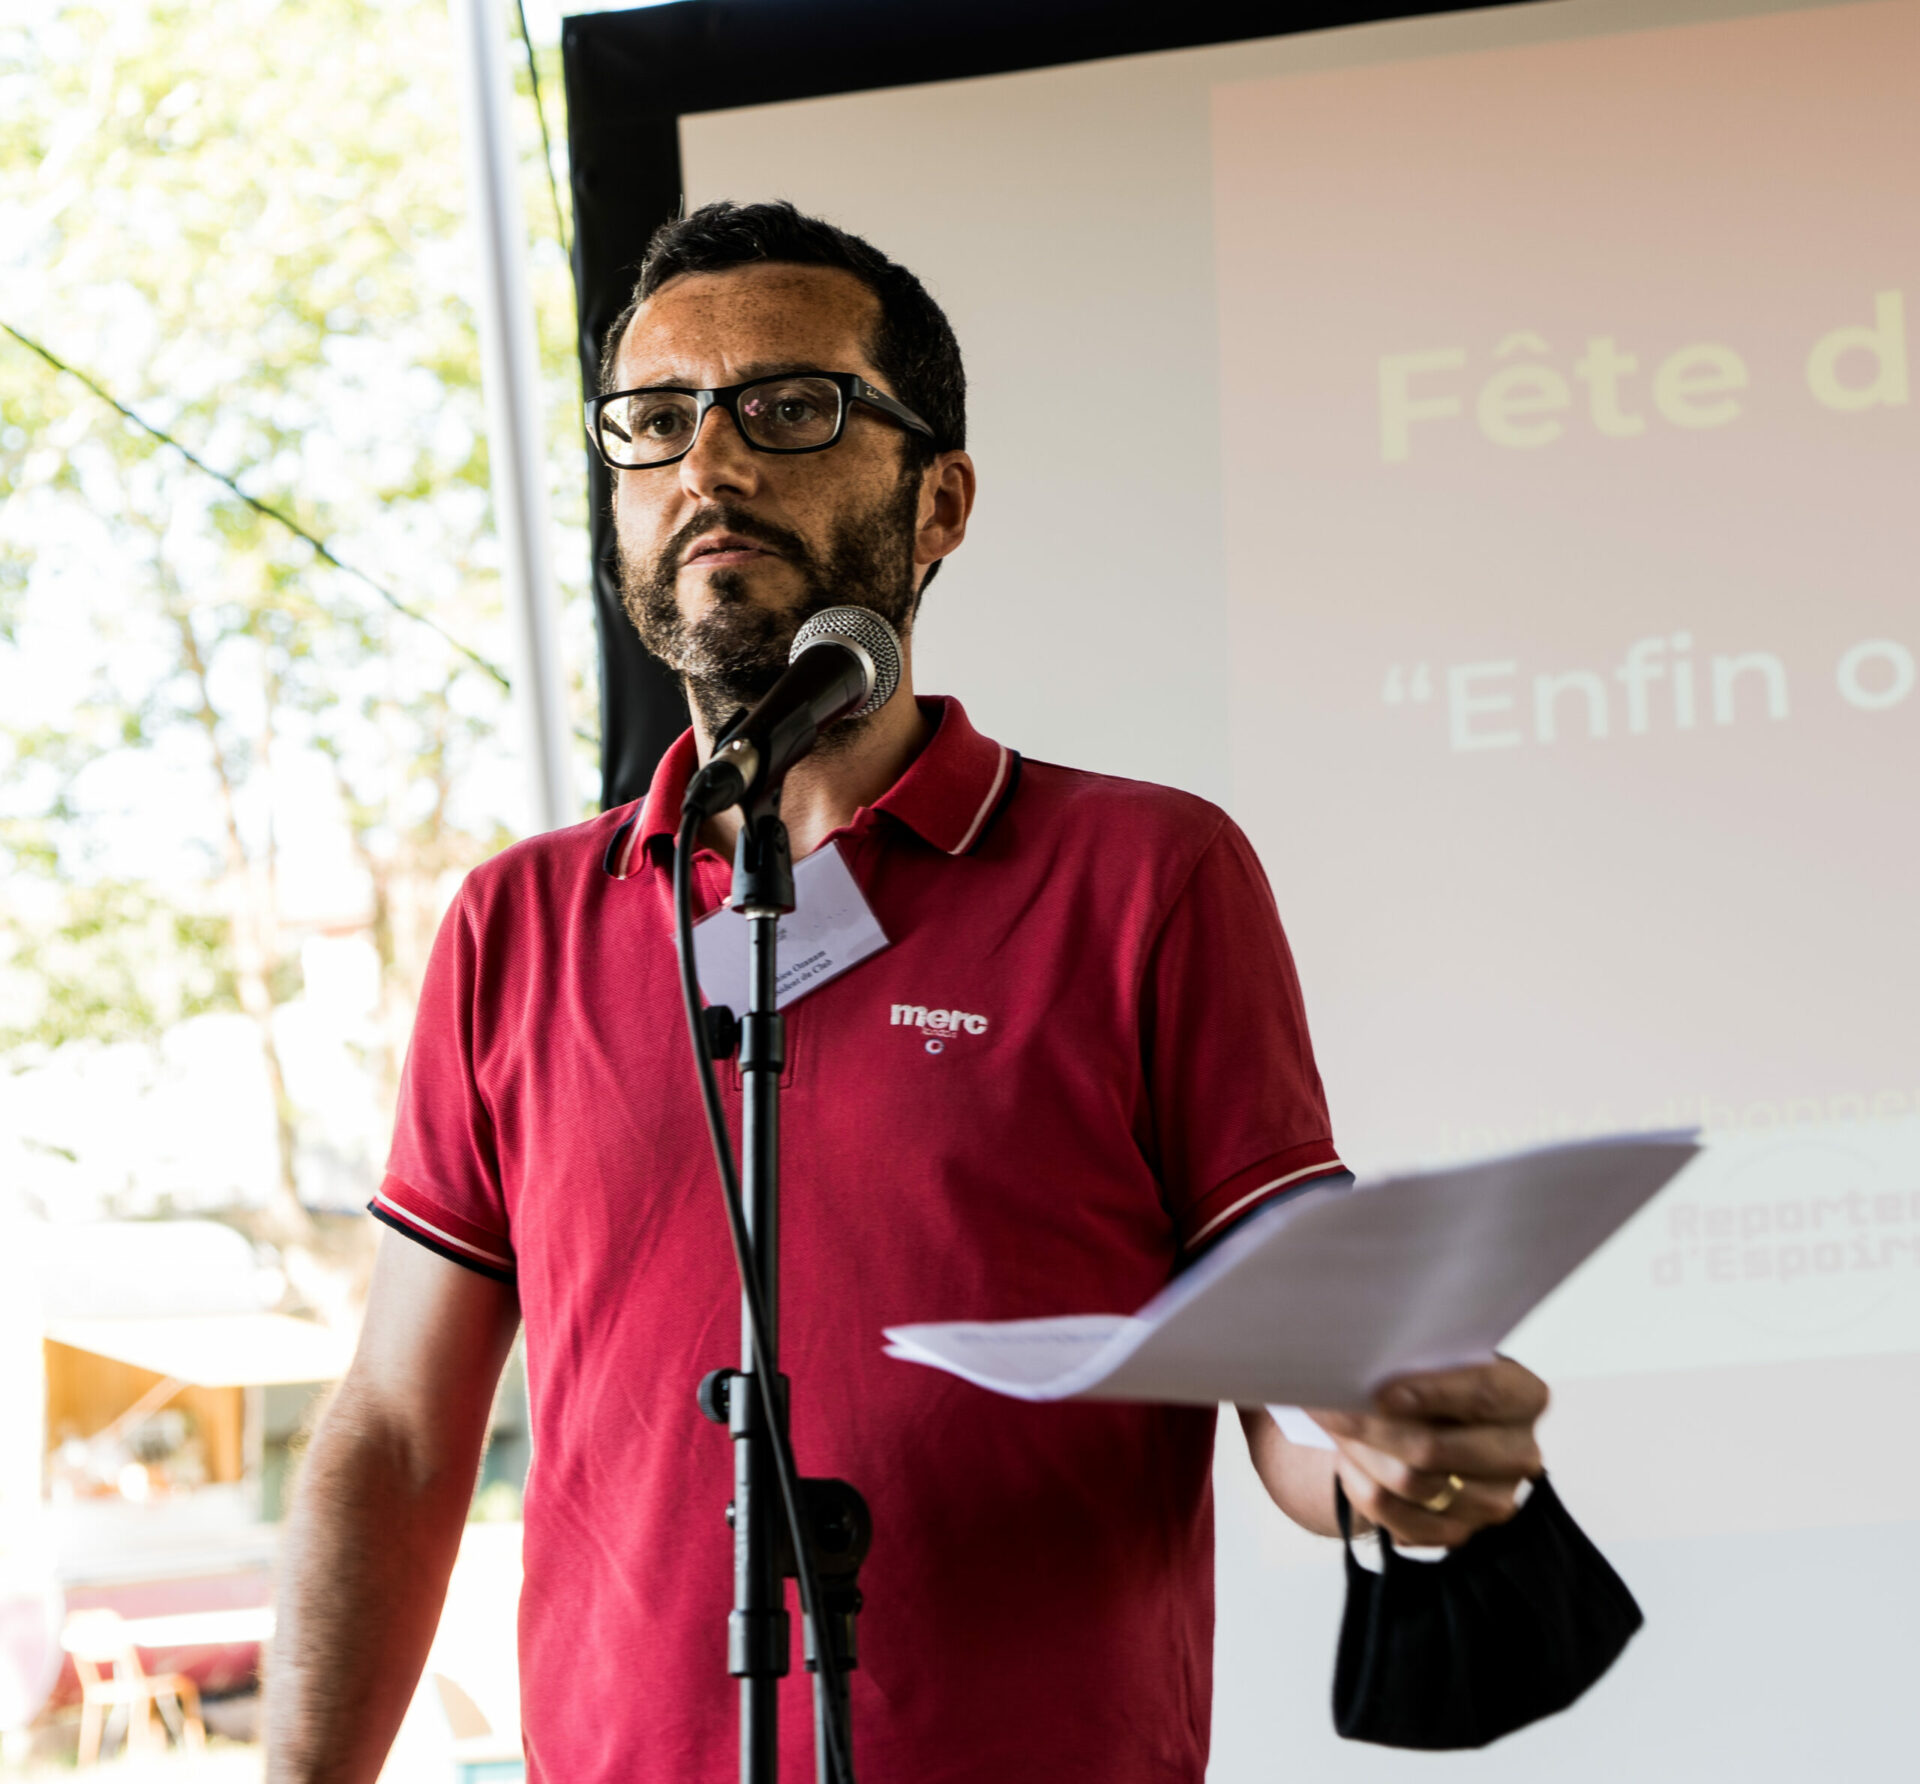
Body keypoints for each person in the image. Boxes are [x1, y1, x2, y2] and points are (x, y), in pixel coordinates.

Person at [268, 202, 1549, 1784]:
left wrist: (1390, 1458)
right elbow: (401, 1435)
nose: (708, 464)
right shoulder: (514, 925)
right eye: (654, 421)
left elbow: (1290, 1388)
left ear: (938, 502)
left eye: (788, 408)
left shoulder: (1146, 876)